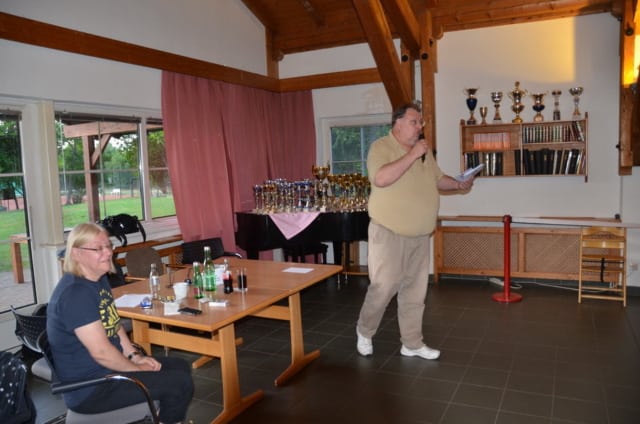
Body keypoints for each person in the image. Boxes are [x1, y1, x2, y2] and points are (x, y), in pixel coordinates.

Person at [356, 103, 474, 360]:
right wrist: (412, 155)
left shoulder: (424, 152)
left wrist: (458, 184)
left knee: (415, 293)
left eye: (421, 122)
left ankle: (411, 343)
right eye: (414, 122)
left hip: (420, 235)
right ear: (397, 123)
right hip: (388, 232)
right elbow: (381, 179)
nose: (420, 127)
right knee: (383, 288)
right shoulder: (381, 147)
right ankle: (364, 331)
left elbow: (438, 179)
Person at [47, 222, 194, 423]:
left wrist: (135, 356)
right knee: (179, 383)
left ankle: (160, 416)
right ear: (76, 253)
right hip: (92, 389)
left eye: (109, 246)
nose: (108, 253)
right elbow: (102, 353)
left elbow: (114, 325)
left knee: (179, 366)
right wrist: (136, 369)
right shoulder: (75, 294)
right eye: (98, 248)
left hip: (107, 372)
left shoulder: (98, 279)